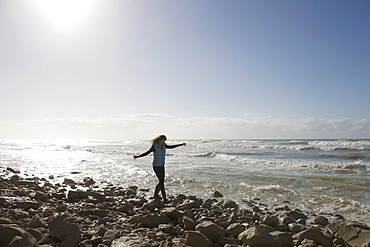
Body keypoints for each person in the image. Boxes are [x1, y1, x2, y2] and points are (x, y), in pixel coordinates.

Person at [133, 135, 186, 202]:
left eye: (164, 142)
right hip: (156, 166)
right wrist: (138, 156)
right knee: (161, 182)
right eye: (162, 141)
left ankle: (155, 195)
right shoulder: (154, 146)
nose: (163, 143)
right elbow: (147, 153)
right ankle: (165, 199)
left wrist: (181, 144)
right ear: (159, 140)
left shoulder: (164, 145)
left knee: (161, 181)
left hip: (162, 165)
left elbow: (171, 147)